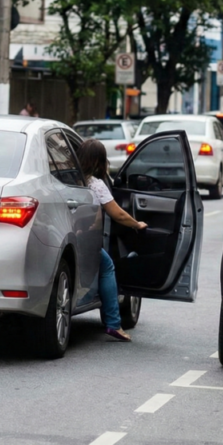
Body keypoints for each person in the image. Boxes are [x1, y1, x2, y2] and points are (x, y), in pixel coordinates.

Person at [76, 139, 147, 342]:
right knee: (107, 267)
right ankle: (114, 324)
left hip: (69, 236)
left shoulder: (72, 179)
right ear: (100, 161)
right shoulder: (96, 184)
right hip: (87, 241)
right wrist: (137, 224)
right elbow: (118, 214)